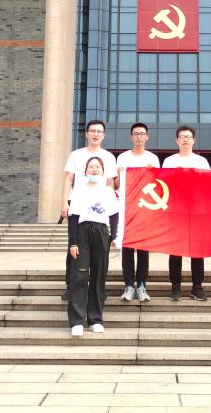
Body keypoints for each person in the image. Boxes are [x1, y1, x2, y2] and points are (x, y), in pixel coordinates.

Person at [60, 120, 117, 301]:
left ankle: (98, 288)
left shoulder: (108, 157)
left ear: (103, 135)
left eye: (99, 131)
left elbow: (110, 182)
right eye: (92, 131)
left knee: (100, 252)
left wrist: (107, 203)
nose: (95, 134)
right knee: (74, 245)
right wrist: (64, 202)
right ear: (86, 134)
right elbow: (69, 178)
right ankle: (71, 286)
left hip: (99, 208)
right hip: (78, 204)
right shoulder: (76, 154)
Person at [67, 156, 119, 337]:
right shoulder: (78, 190)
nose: (94, 169)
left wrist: (114, 236)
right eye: (91, 167)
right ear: (85, 171)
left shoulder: (108, 191)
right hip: (82, 233)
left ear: (103, 171)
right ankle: (76, 321)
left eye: (98, 167)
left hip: (101, 233)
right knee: (79, 276)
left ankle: (95, 319)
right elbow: (73, 217)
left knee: (98, 277)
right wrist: (72, 242)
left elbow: (114, 215)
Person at [163, 125, 210, 301]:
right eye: (182, 136)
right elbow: (163, 185)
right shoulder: (169, 162)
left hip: (197, 210)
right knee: (175, 249)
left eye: (188, 137)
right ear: (177, 140)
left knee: (197, 249)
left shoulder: (201, 162)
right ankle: (175, 286)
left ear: (193, 140)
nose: (185, 139)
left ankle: (197, 286)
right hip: (176, 210)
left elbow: (209, 185)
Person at [115, 122, 160, 302]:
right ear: (131, 136)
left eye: (142, 134)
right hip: (127, 209)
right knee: (127, 248)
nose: (139, 136)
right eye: (136, 134)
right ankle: (128, 285)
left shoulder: (153, 158)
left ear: (147, 137)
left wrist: (152, 173)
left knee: (143, 250)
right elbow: (116, 185)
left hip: (145, 209)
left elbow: (158, 185)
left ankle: (141, 285)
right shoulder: (123, 157)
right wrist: (120, 175)